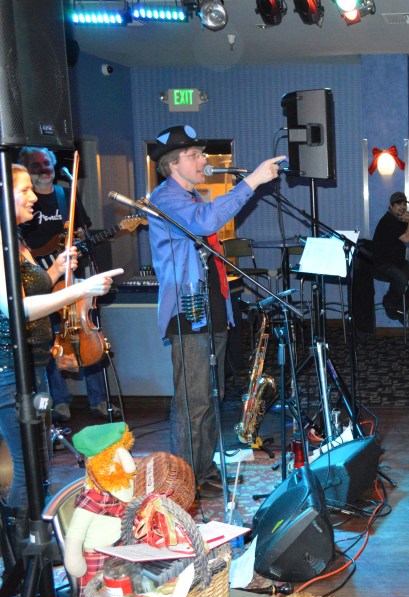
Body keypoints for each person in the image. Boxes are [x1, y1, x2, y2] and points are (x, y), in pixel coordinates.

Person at [146, 124, 285, 498]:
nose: (203, 159)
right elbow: (207, 222)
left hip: (212, 309)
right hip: (189, 315)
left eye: (201, 153)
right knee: (193, 401)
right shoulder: (165, 198)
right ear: (173, 165)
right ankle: (182, 482)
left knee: (211, 394)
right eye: (194, 155)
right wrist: (252, 180)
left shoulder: (191, 199)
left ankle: (202, 469)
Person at [1, 164, 121, 512]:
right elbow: (17, 309)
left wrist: (56, 270)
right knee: (29, 466)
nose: (33, 196)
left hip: (30, 364)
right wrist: (80, 289)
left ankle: (30, 542)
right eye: (23, 190)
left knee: (38, 464)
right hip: (9, 369)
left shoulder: (16, 239)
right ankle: (22, 552)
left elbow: (32, 288)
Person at [17, 147, 119, 422]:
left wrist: (60, 264)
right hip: (37, 284)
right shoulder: (15, 236)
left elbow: (79, 232)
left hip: (59, 277)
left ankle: (97, 400)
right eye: (36, 165)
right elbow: (21, 306)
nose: (44, 169)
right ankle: (59, 401)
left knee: (82, 332)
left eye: (47, 163)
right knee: (51, 337)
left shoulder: (64, 195)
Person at [370, 191, 409, 323]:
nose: (402, 207)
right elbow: (407, 239)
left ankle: (401, 308)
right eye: (398, 204)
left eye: (404, 204)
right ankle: (389, 303)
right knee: (401, 278)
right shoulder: (388, 220)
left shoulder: (400, 221)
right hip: (381, 264)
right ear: (391, 206)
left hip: (397, 262)